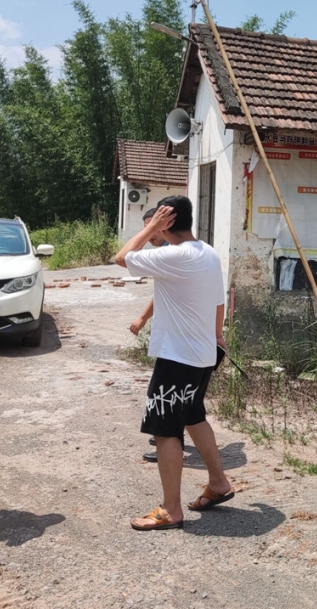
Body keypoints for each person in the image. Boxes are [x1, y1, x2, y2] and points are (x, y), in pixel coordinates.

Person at [115, 195, 234, 530]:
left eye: (157, 221)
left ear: (166, 221)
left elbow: (122, 257)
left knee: (165, 430)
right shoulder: (208, 253)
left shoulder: (175, 254)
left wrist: (150, 228)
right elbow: (218, 302)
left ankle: (171, 510)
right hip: (203, 353)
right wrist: (217, 336)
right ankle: (218, 482)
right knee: (193, 416)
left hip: (177, 358)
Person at [128, 208, 186, 464]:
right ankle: (169, 439)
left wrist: (142, 317)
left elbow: (123, 257)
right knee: (187, 403)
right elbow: (162, 293)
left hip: (178, 340)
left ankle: (169, 443)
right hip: (185, 338)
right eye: (145, 229)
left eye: (152, 228)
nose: (148, 234)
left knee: (171, 399)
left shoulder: (171, 253)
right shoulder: (180, 251)